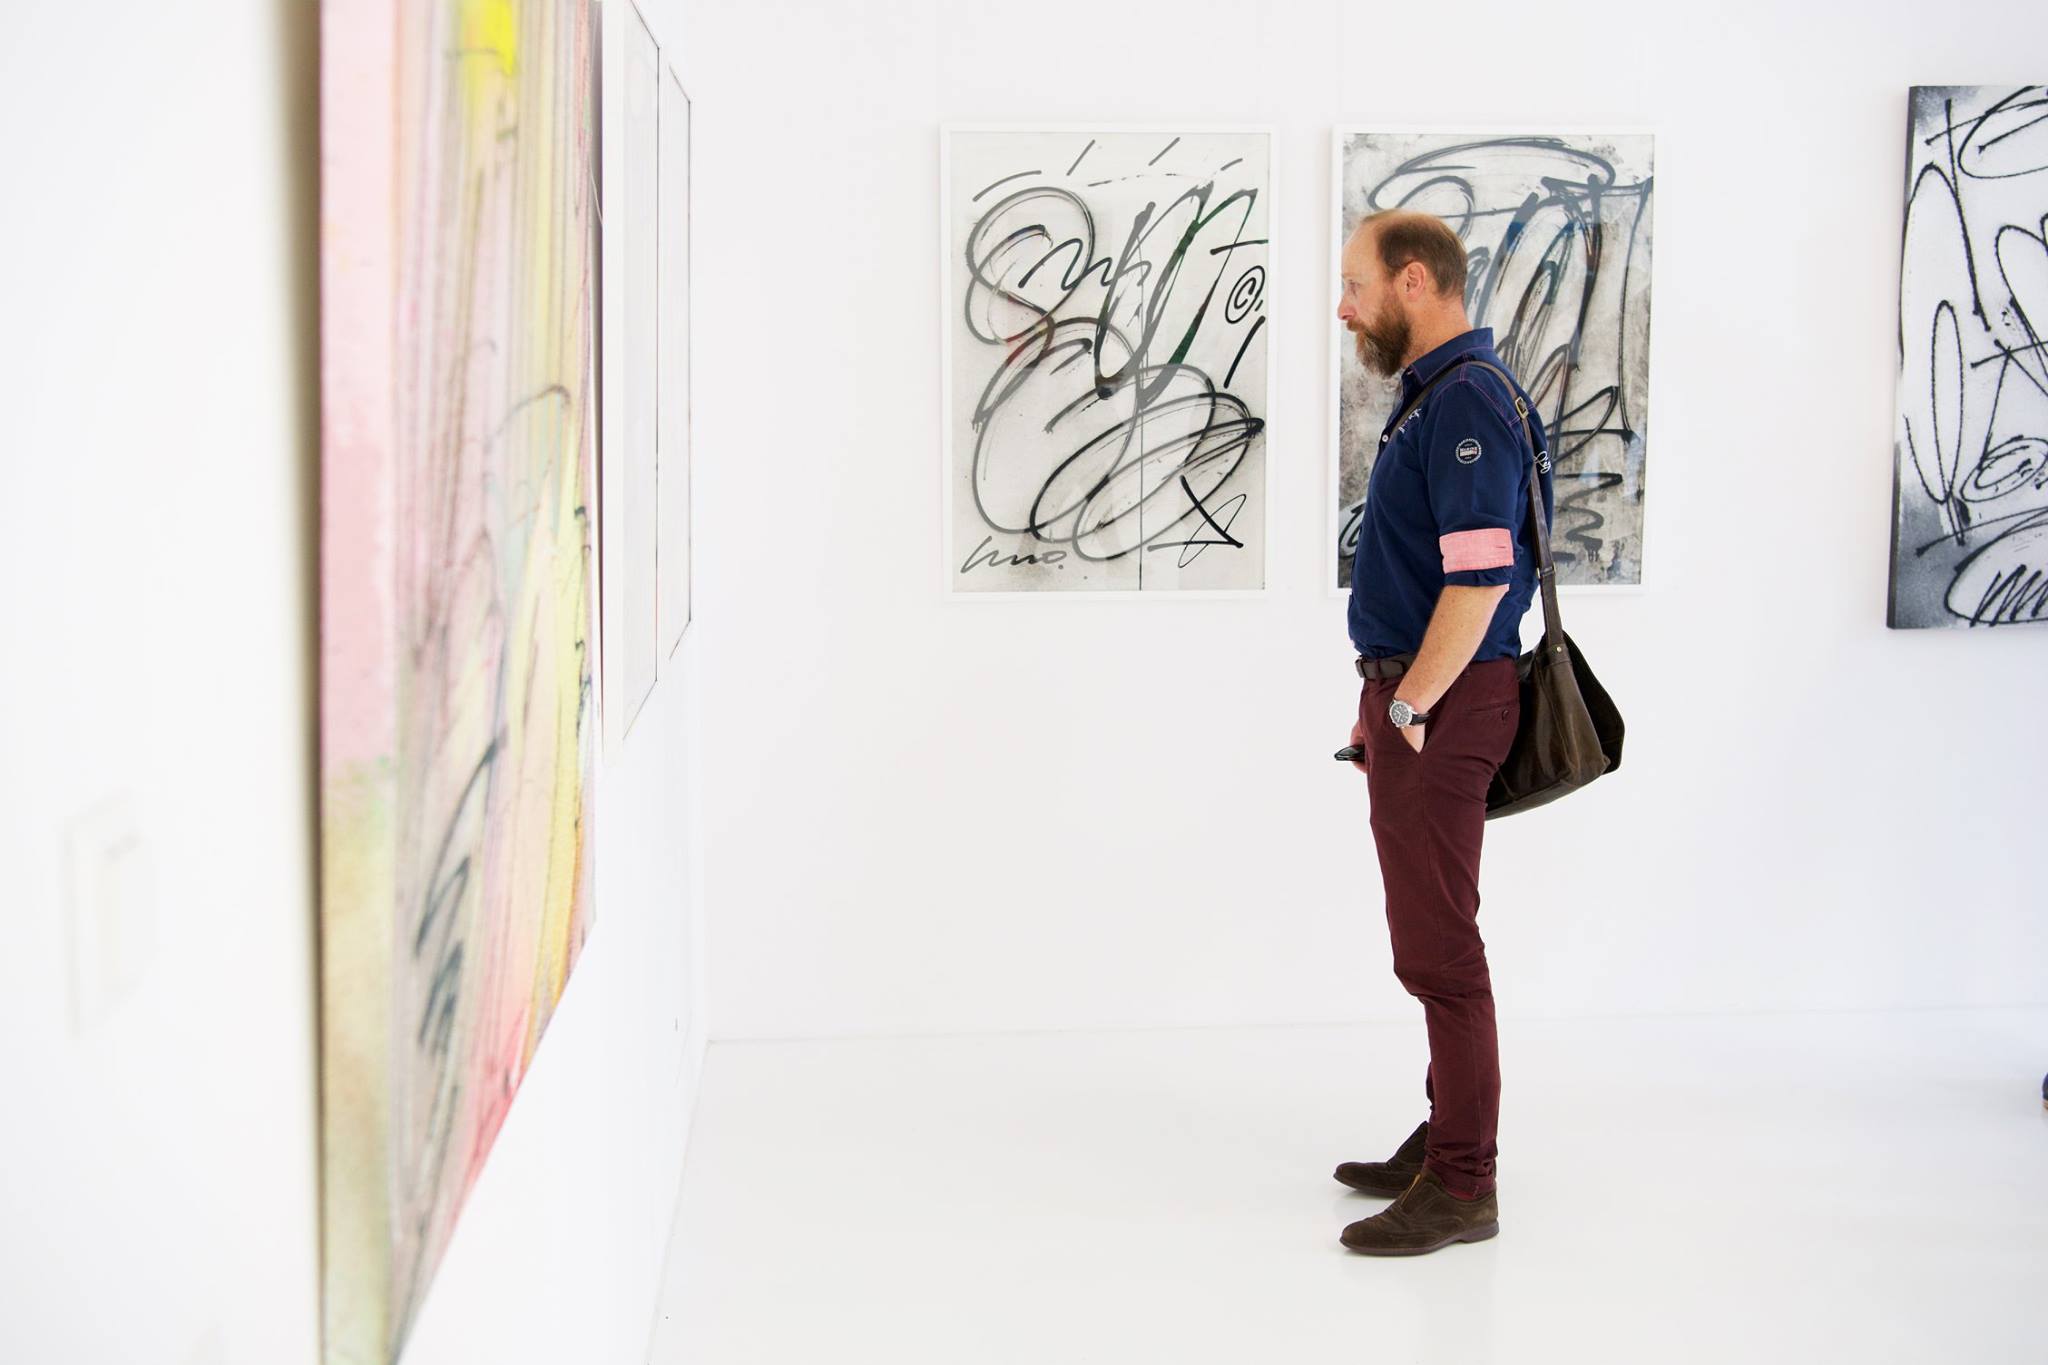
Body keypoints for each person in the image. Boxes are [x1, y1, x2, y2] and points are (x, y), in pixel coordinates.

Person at [1328, 209, 1554, 1256]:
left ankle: (1463, 1182)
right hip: (1424, 699)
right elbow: (1429, 576)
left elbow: (1479, 580)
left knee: (1441, 952)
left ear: (1412, 280)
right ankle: (1445, 1139)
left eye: (1355, 285)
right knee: (1432, 939)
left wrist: (1408, 704)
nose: (1344, 308)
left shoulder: (1463, 399)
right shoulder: (1443, 393)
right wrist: (1381, 697)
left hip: (1445, 706)